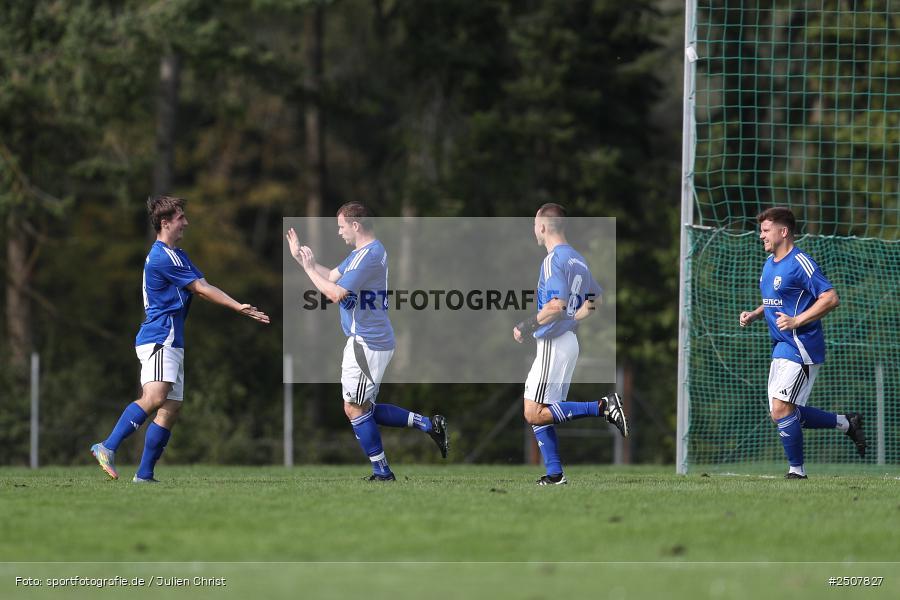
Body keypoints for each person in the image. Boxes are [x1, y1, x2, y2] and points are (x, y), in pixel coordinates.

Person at [90, 195, 270, 483]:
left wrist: (236, 305)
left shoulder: (178, 255)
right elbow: (200, 288)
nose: (186, 222)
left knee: (170, 408)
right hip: (161, 336)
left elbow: (203, 286)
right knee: (155, 397)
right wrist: (238, 307)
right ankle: (107, 446)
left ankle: (145, 475)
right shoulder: (164, 256)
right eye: (180, 217)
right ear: (165, 223)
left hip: (172, 339)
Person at [285, 202, 449, 481]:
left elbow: (335, 293)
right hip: (368, 340)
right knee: (364, 407)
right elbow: (331, 276)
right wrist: (301, 259)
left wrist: (309, 269)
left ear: (355, 225)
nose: (339, 232)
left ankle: (382, 472)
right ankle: (427, 424)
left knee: (354, 408)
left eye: (341, 226)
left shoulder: (369, 255)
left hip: (367, 342)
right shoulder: (361, 254)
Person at [739, 207, 865, 479]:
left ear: (783, 232)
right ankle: (846, 422)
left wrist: (797, 321)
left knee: (782, 409)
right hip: (781, 346)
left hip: (802, 346)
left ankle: (797, 472)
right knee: (781, 412)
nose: (761, 236)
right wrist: (755, 314)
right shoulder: (769, 263)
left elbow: (830, 297)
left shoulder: (801, 262)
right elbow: (777, 299)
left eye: (765, 230)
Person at [514, 203, 628, 485]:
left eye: (534, 224)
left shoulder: (553, 260)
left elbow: (556, 304)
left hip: (554, 342)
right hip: (566, 341)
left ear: (542, 226)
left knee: (534, 412)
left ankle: (602, 406)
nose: (533, 229)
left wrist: (526, 325)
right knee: (540, 410)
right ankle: (555, 474)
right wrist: (572, 319)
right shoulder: (577, 258)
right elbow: (596, 301)